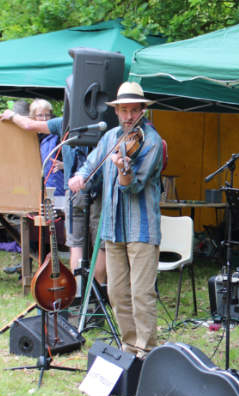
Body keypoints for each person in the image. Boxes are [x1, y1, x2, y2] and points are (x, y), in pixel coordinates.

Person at [69, 81, 164, 357]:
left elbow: (133, 186)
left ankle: (146, 353)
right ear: (117, 111)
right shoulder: (110, 137)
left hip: (141, 229)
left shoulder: (152, 142)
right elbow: (92, 163)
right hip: (112, 227)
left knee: (141, 295)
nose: (128, 117)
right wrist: (81, 176)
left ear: (143, 111)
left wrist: (124, 169)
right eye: (123, 110)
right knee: (118, 293)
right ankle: (129, 346)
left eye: (134, 111)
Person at [0, 103, 106, 285]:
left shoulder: (63, 123)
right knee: (99, 246)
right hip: (96, 189)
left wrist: (11, 115)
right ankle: (100, 293)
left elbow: (29, 125)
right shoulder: (104, 124)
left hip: (72, 190)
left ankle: (79, 293)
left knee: (76, 245)